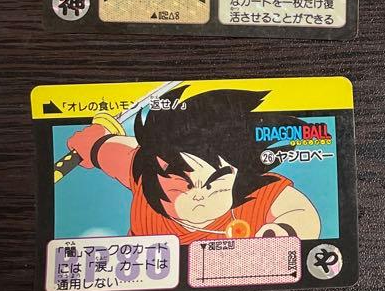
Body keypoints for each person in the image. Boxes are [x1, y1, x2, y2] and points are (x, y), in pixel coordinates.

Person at [66, 86, 321, 242]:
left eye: (214, 184)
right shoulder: (143, 171)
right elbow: (104, 149)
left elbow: (299, 212)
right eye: (183, 184)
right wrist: (92, 143)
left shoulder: (255, 196)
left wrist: (283, 232)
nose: (199, 194)